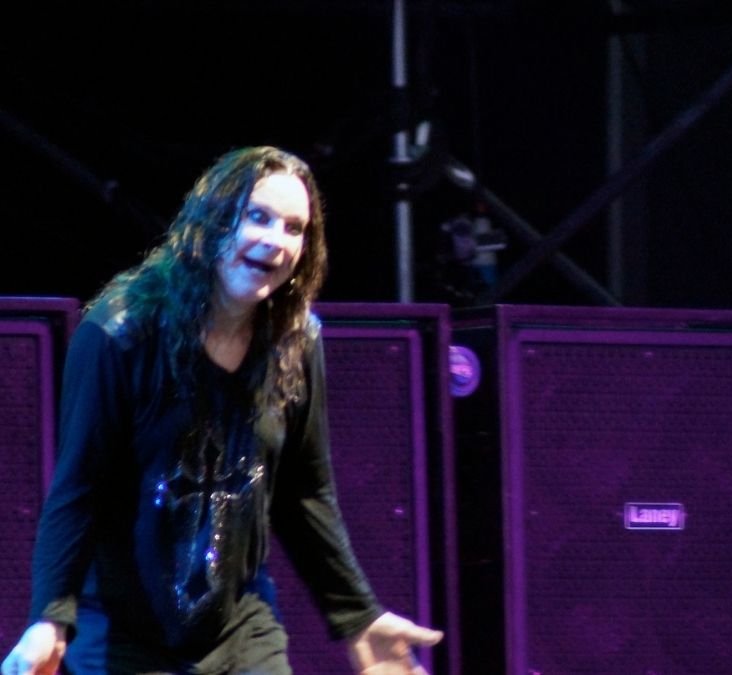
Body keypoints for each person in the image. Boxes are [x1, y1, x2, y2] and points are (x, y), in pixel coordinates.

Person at [1, 146, 443, 674]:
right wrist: (49, 618)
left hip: (240, 627)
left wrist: (356, 616)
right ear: (211, 220)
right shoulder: (120, 333)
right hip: (123, 633)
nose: (275, 241)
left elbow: (305, 493)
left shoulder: (295, 341)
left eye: (294, 228)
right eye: (257, 217)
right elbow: (78, 490)